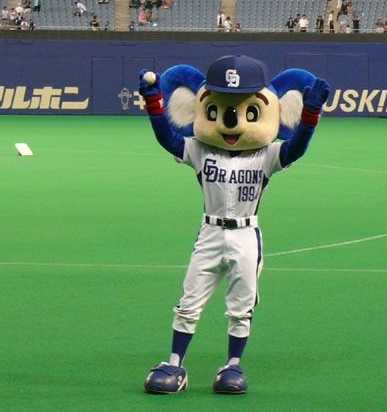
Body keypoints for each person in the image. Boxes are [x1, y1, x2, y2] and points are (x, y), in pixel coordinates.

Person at [138, 55, 331, 396]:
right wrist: (154, 103)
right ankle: (175, 364)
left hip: (245, 235)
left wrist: (310, 115)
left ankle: (232, 365)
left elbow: (296, 149)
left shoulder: (266, 155)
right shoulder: (201, 149)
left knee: (241, 306)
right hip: (210, 233)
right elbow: (168, 139)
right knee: (189, 301)